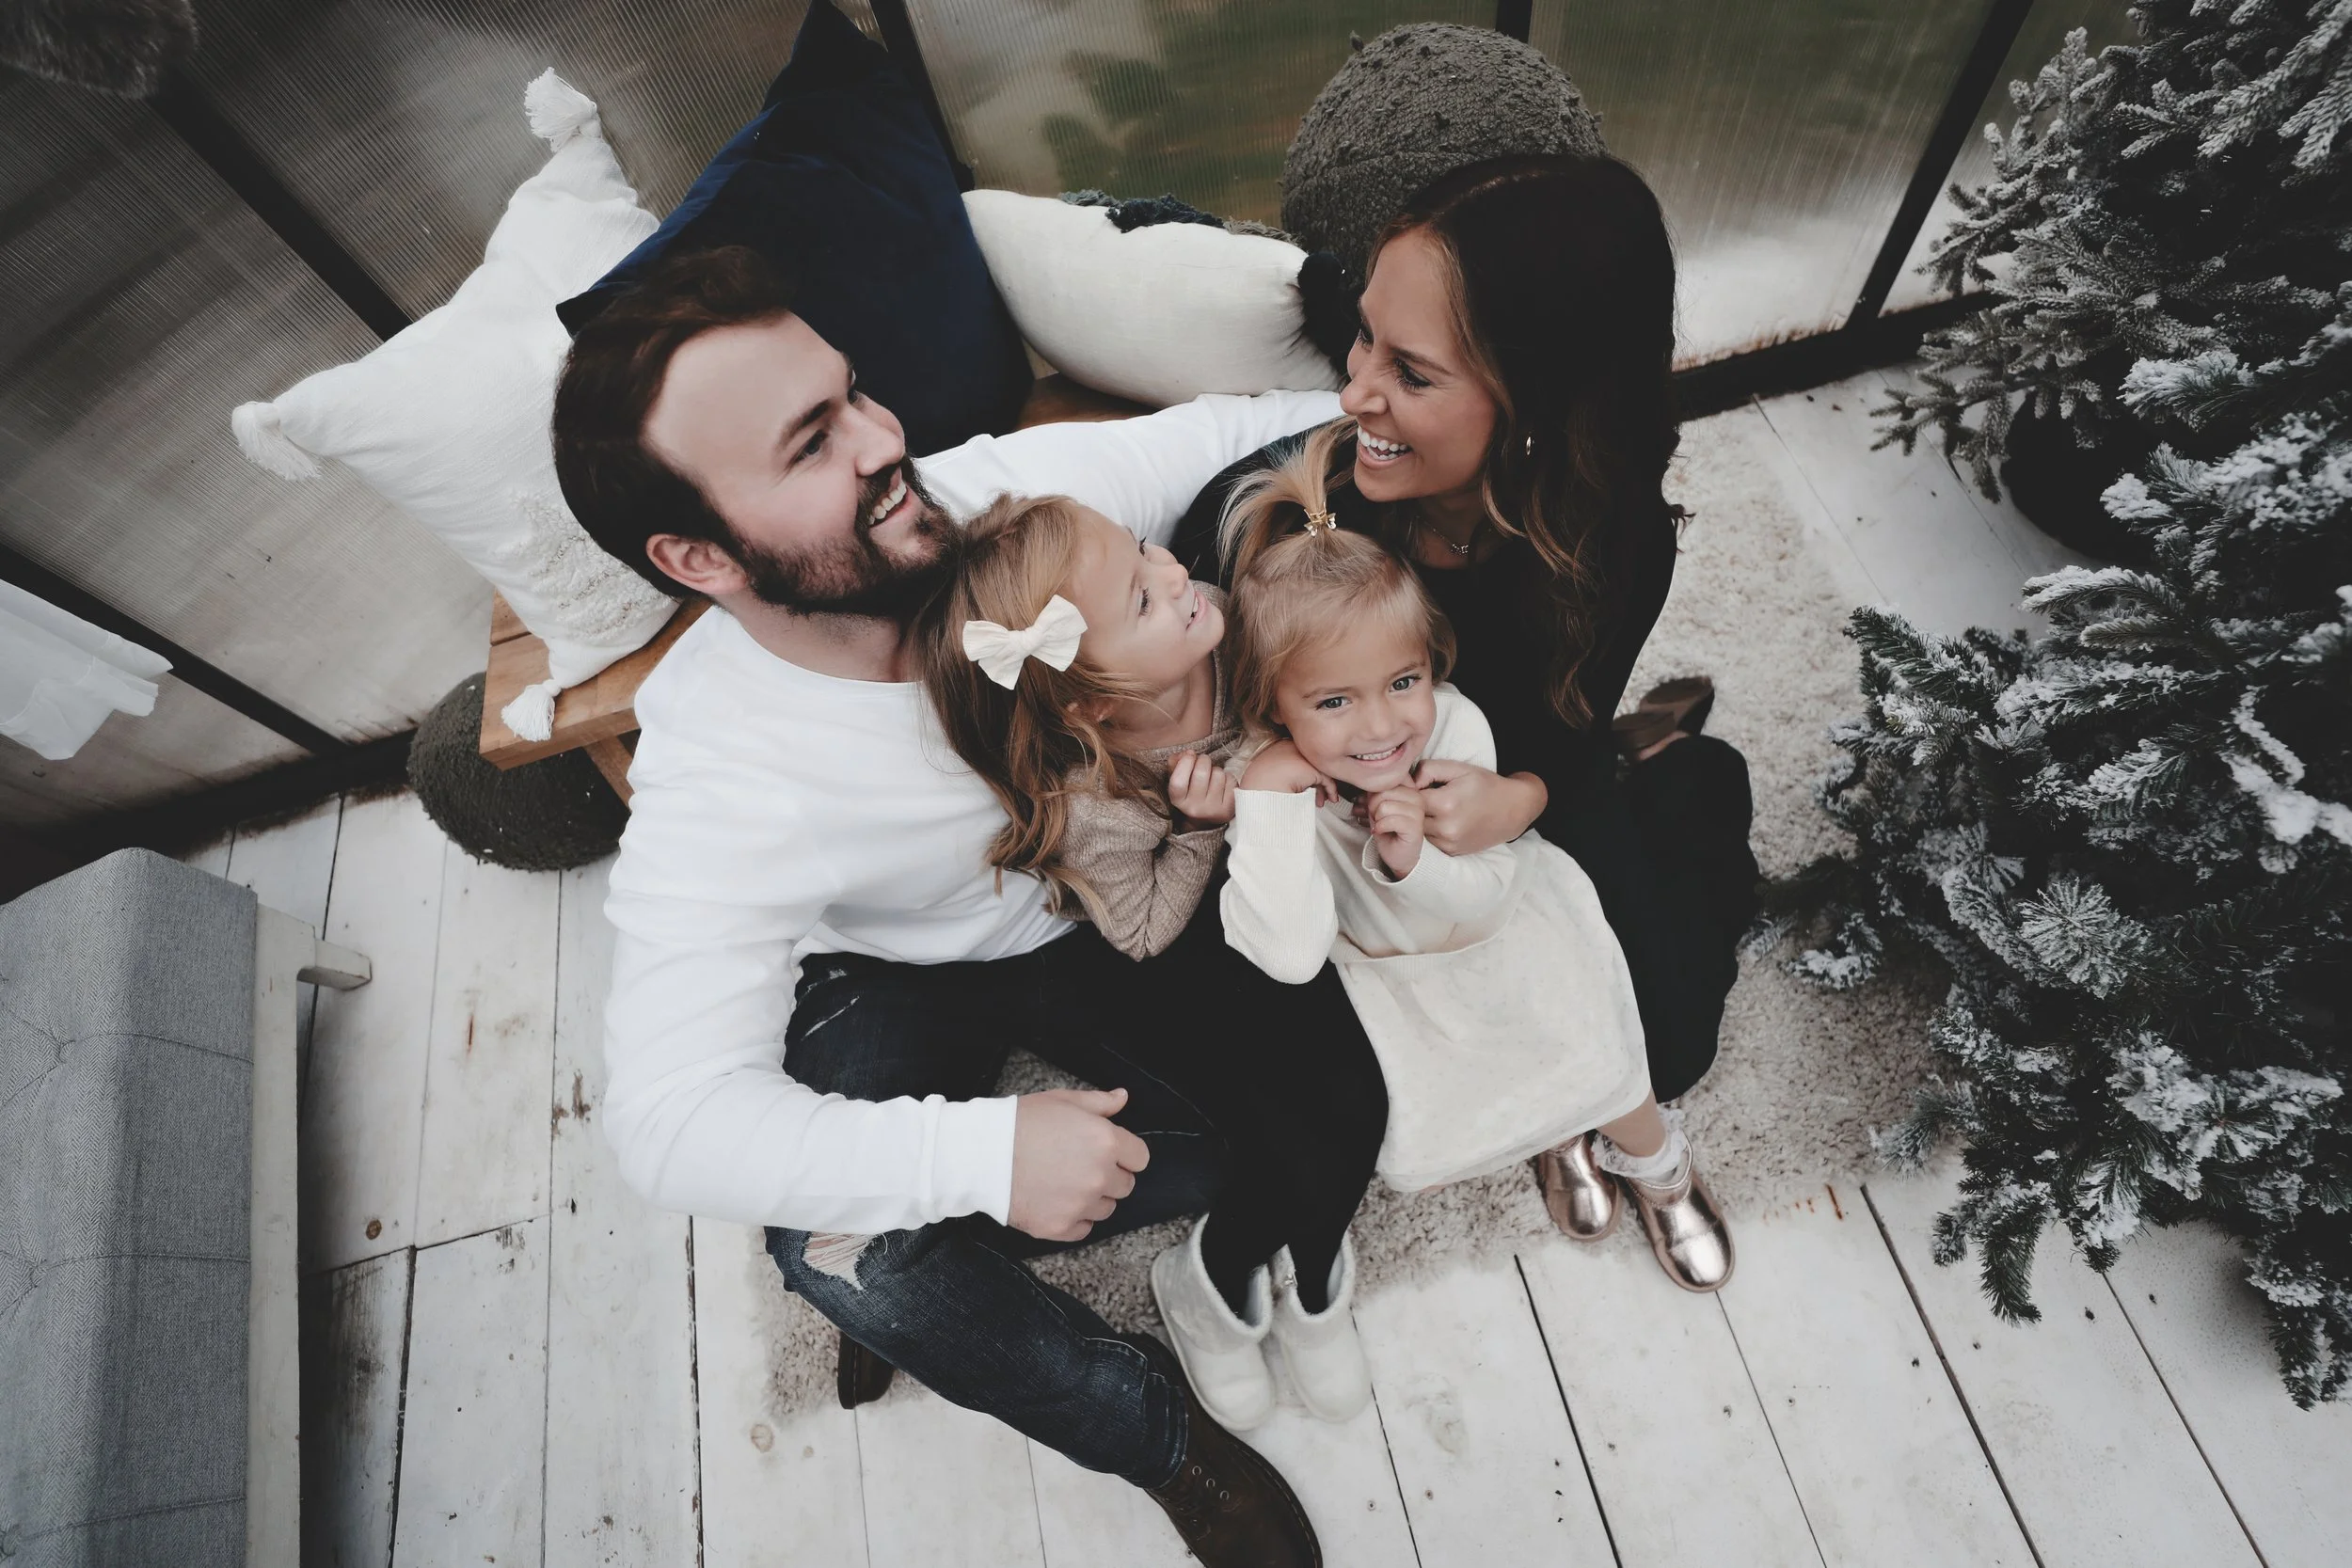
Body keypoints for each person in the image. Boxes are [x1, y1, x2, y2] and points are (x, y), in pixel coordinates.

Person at [551, 245, 1360, 1567]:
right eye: (814, 440)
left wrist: (1406, 410)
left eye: (857, 392)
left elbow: (1225, 436)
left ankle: (991, 1260)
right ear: (697, 552)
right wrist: (980, 1154)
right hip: (888, 970)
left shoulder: (991, 508)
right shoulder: (718, 769)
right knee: (853, 1259)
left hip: (1095, 908)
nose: (887, 441)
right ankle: (1158, 1433)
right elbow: (666, 1120)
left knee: (1313, 1120)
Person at [1171, 151, 1758, 1291]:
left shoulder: (1613, 534)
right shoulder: (1292, 523)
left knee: (1669, 1040)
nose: (1352, 395)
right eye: (1361, 341)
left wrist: (1519, 797)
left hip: (1510, 777)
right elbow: (1215, 723)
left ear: (1535, 401)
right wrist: (1291, 770)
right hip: (1343, 818)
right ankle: (1551, 1112)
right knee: (1395, 1050)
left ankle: (1679, 773)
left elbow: (1561, 724)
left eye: (1411, 372)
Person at [912, 491, 1384, 1431]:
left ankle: (1313, 1264)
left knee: (1358, 1098)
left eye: (1143, 550)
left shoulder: (1222, 628)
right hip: (1172, 958)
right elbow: (1140, 932)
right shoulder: (1087, 798)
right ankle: (1207, 1279)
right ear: (1092, 697)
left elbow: (1299, 725)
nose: (1176, 569)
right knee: (1265, 1121)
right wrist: (1203, 825)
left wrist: (1284, 773)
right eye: (1140, 595)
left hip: (1270, 900)